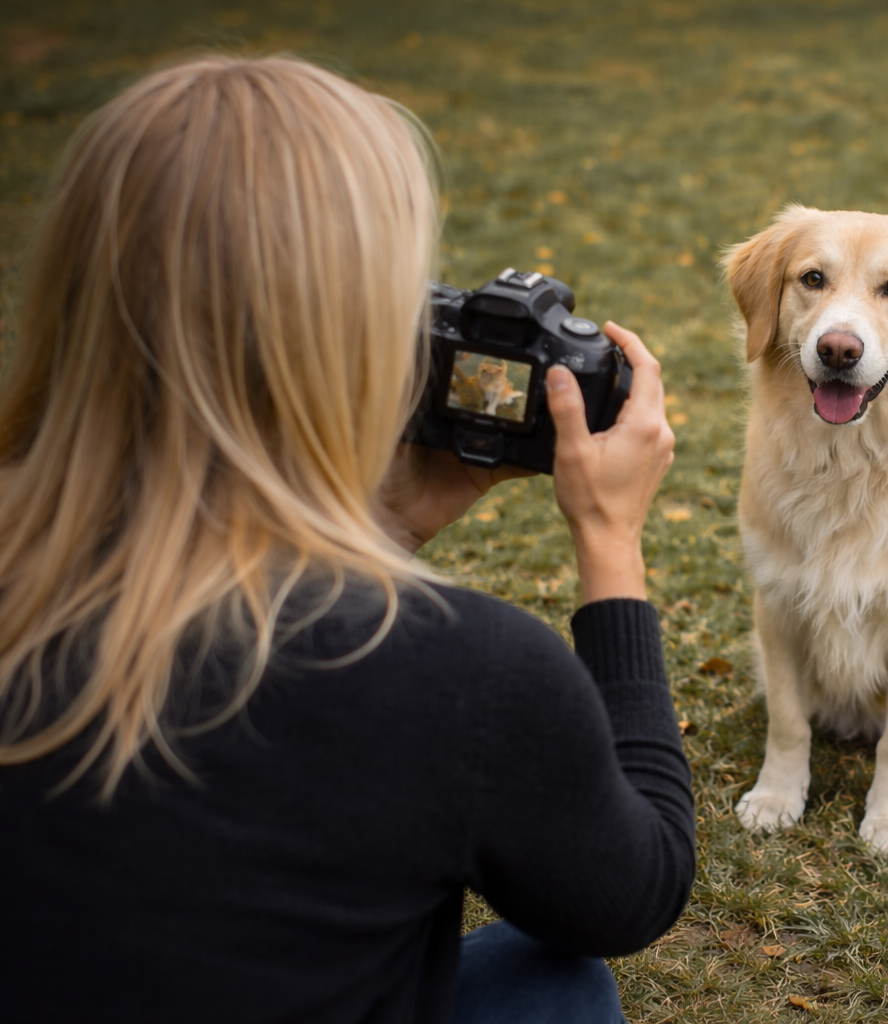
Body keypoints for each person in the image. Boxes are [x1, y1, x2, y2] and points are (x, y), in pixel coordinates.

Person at [0, 55, 691, 1024]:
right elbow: (632, 888)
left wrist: (384, 528)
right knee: (555, 986)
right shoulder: (465, 671)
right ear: (358, 331)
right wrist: (611, 544)